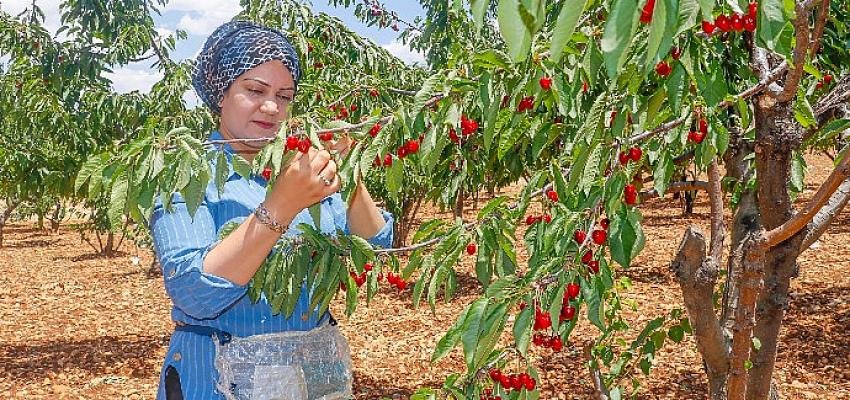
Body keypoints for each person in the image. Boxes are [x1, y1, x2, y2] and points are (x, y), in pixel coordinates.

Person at [150, 20, 393, 399]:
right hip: (216, 380)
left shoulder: (299, 165)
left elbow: (377, 246)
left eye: (284, 95)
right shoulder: (185, 176)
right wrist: (282, 205)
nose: (271, 107)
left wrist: (348, 173)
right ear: (220, 94)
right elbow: (195, 293)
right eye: (254, 90)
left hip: (315, 377)